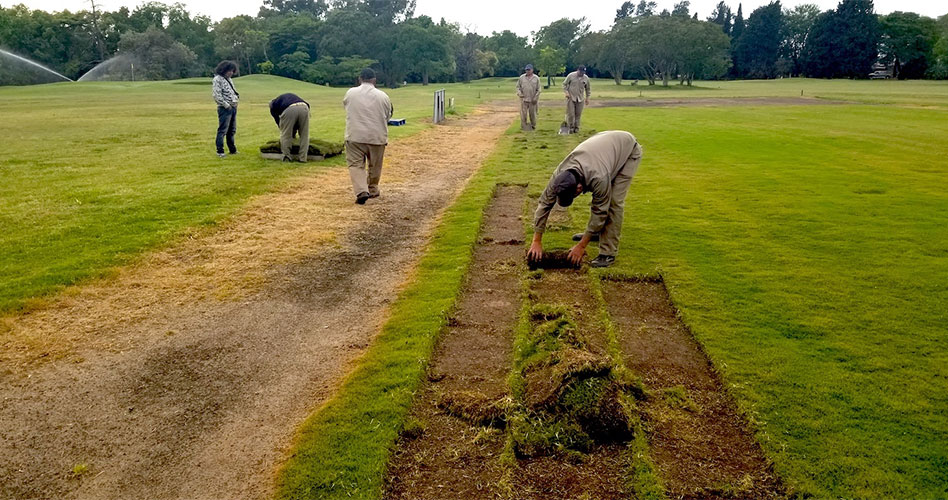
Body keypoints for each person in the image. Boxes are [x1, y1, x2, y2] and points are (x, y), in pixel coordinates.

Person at [527, 131, 643, 268]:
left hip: (627, 151)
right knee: (605, 199)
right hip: (603, 149)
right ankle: (596, 233)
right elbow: (544, 204)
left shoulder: (598, 177)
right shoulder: (559, 176)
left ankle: (608, 253)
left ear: (579, 188)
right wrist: (536, 240)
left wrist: (581, 246)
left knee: (613, 202)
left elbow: (600, 211)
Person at [343, 68, 393, 205]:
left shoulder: (350, 93)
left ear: (360, 79)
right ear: (374, 80)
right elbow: (388, 115)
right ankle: (372, 188)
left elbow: (347, 108)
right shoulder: (383, 96)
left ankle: (361, 190)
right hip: (377, 136)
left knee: (355, 165)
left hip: (355, 135)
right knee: (375, 165)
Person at [269, 93, 310, 162]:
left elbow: (279, 123)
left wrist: (289, 131)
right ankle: (303, 158)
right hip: (304, 107)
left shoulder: (273, 107)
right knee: (304, 135)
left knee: (286, 134)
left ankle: (286, 156)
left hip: (290, 108)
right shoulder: (285, 97)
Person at [211, 60, 240, 158]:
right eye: (229, 71)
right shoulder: (217, 79)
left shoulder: (229, 79)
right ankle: (220, 151)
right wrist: (226, 105)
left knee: (232, 130)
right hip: (225, 108)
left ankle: (232, 149)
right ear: (223, 70)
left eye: (232, 71)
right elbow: (217, 95)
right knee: (223, 130)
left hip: (233, 107)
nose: (231, 73)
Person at [562, 65, 591, 134]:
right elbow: (564, 84)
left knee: (578, 114)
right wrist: (566, 92)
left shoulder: (586, 78)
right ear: (578, 70)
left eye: (583, 72)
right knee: (571, 114)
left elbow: (588, 89)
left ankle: (576, 128)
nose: (582, 73)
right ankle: (571, 128)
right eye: (581, 71)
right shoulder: (571, 76)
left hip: (580, 99)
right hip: (571, 98)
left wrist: (587, 98)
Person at [517, 64, 541, 131]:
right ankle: (523, 126)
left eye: (529, 70)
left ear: (532, 70)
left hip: (532, 100)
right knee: (523, 114)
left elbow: (539, 90)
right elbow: (518, 87)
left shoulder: (536, 78)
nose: (528, 71)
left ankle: (533, 126)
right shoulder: (521, 78)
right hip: (524, 99)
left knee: (532, 114)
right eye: (526, 70)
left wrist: (535, 98)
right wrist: (520, 94)